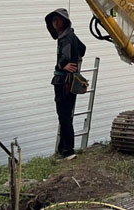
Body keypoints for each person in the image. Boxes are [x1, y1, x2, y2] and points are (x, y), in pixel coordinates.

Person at [46, 8, 87, 159]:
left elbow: (64, 57)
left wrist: (63, 65)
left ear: (64, 22)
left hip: (64, 82)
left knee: (64, 116)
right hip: (71, 82)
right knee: (66, 115)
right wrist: (76, 60)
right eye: (53, 20)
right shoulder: (72, 35)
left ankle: (68, 150)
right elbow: (83, 48)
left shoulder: (66, 38)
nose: (55, 23)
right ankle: (62, 149)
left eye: (58, 20)